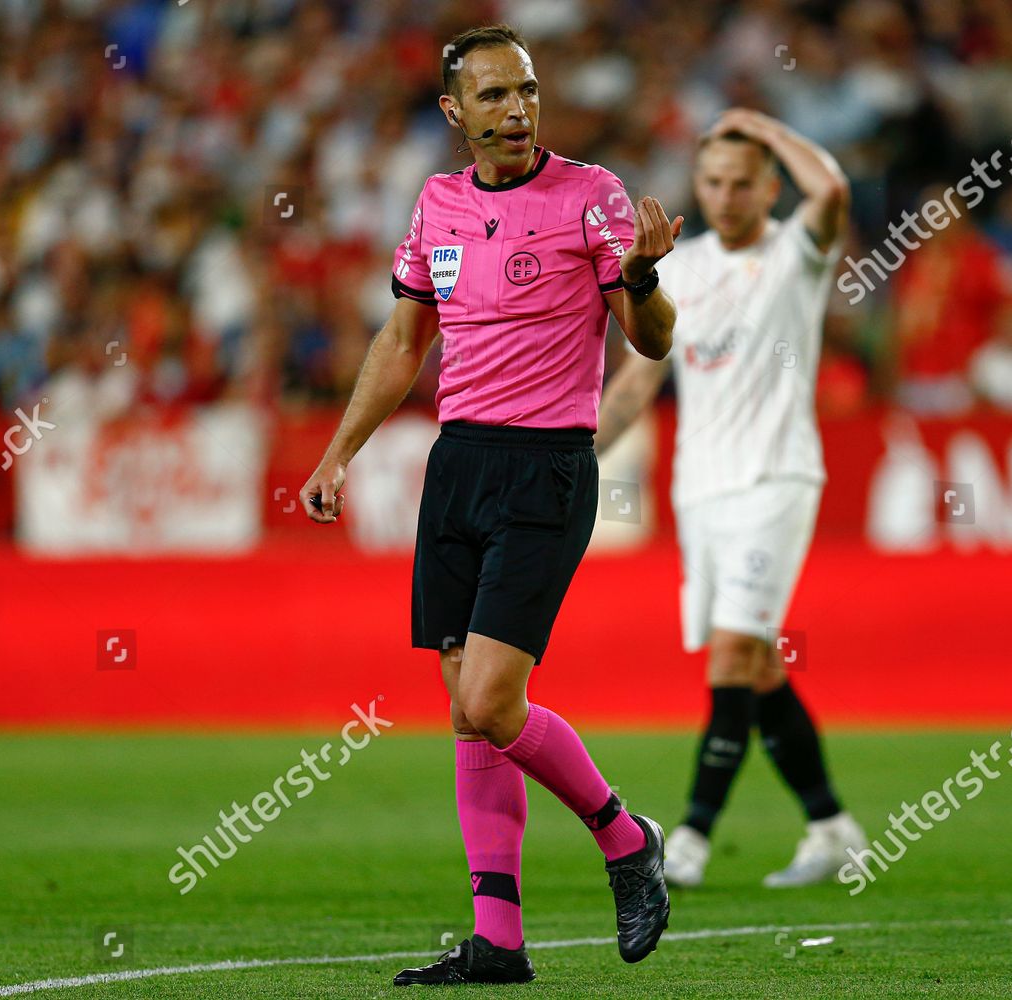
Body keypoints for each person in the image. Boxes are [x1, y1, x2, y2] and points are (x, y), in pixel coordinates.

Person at [299, 24, 682, 986]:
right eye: (495, 96)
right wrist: (339, 451)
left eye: (527, 92)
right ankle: (497, 941)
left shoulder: (590, 196)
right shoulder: (436, 205)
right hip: (458, 464)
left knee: (489, 699)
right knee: (466, 718)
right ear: (454, 113)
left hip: (548, 466)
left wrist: (641, 276)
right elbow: (403, 340)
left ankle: (625, 836)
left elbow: (652, 341)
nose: (516, 110)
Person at [594, 108, 866, 889]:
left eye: (742, 182)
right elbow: (639, 381)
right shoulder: (680, 269)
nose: (725, 195)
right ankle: (830, 823)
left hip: (775, 478)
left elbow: (834, 189)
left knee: (731, 656)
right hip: (701, 491)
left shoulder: (795, 252)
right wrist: (577, 458)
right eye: (712, 181)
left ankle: (689, 840)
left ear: (769, 185)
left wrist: (768, 128)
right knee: (760, 667)